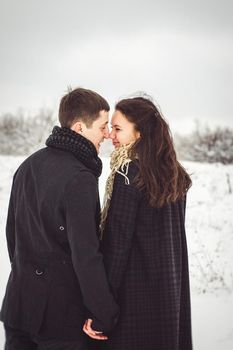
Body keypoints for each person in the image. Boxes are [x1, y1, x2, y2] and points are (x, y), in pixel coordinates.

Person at [0, 87, 119, 350]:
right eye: (102, 127)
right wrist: (104, 314)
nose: (107, 135)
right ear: (79, 128)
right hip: (60, 320)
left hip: (19, 308)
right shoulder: (80, 178)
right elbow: (86, 255)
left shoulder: (28, 165)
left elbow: (13, 236)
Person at [86, 96, 193, 350]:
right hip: (168, 294)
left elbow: (116, 248)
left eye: (118, 128)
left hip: (133, 301)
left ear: (139, 133)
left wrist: (102, 308)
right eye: (110, 127)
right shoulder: (173, 173)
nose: (111, 135)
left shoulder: (127, 174)